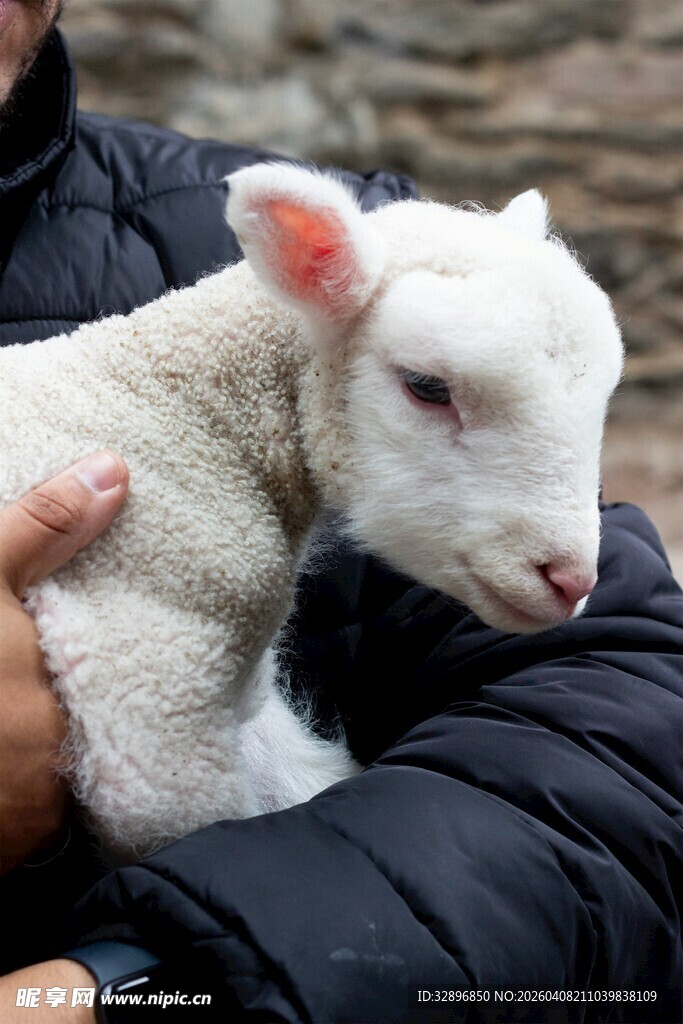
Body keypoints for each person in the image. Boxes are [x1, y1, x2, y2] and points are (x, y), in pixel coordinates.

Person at [1, 5, 681, 1022]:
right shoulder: (180, 464)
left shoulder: (419, 273)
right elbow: (161, 775)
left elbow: (619, 719)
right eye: (429, 389)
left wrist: (128, 988)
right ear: (303, 257)